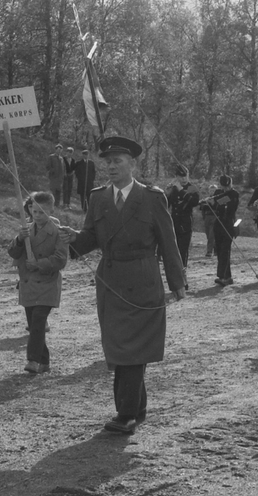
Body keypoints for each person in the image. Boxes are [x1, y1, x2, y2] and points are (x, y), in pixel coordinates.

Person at [61, 136, 186, 435]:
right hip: (111, 279)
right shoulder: (98, 197)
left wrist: (176, 282)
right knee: (120, 346)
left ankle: (126, 414)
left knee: (132, 348)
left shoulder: (153, 198)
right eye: (108, 162)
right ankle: (135, 409)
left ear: (132, 164)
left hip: (143, 278)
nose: (112, 166)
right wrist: (72, 237)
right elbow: (90, 238)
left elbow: (169, 243)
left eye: (118, 161)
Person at [8, 191, 69, 374]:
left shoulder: (59, 232)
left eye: (42, 212)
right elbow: (13, 253)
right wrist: (19, 240)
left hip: (48, 284)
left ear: (51, 210)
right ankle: (44, 361)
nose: (38, 216)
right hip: (28, 285)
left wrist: (39, 264)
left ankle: (32, 360)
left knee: (38, 321)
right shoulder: (26, 231)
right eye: (34, 212)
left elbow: (61, 259)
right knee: (35, 325)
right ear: (30, 210)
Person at [166, 165, 201, 268]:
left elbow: (195, 202)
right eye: (181, 177)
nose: (184, 179)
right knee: (173, 251)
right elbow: (166, 205)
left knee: (183, 251)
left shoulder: (191, 187)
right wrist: (166, 194)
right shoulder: (174, 188)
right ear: (176, 176)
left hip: (185, 223)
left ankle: (183, 277)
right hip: (174, 223)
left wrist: (181, 190)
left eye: (186, 176)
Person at [208, 174, 240, 286]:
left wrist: (216, 202)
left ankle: (225, 277)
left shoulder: (234, 194)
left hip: (229, 224)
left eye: (228, 186)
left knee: (226, 250)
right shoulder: (217, 192)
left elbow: (231, 206)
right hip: (219, 224)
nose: (225, 189)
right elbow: (212, 207)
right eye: (223, 186)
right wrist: (209, 202)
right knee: (220, 249)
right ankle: (224, 275)